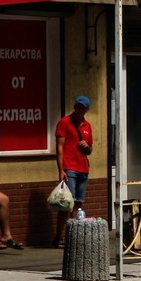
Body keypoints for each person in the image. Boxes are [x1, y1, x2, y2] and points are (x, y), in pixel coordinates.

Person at [53, 95, 94, 249]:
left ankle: (73, 236)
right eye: (77, 106)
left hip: (83, 167)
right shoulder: (64, 122)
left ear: (87, 110)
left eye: (82, 107)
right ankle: (59, 236)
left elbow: (90, 150)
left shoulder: (87, 126)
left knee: (78, 203)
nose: (79, 109)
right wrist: (61, 169)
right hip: (69, 167)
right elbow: (59, 147)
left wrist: (86, 147)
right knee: (66, 204)